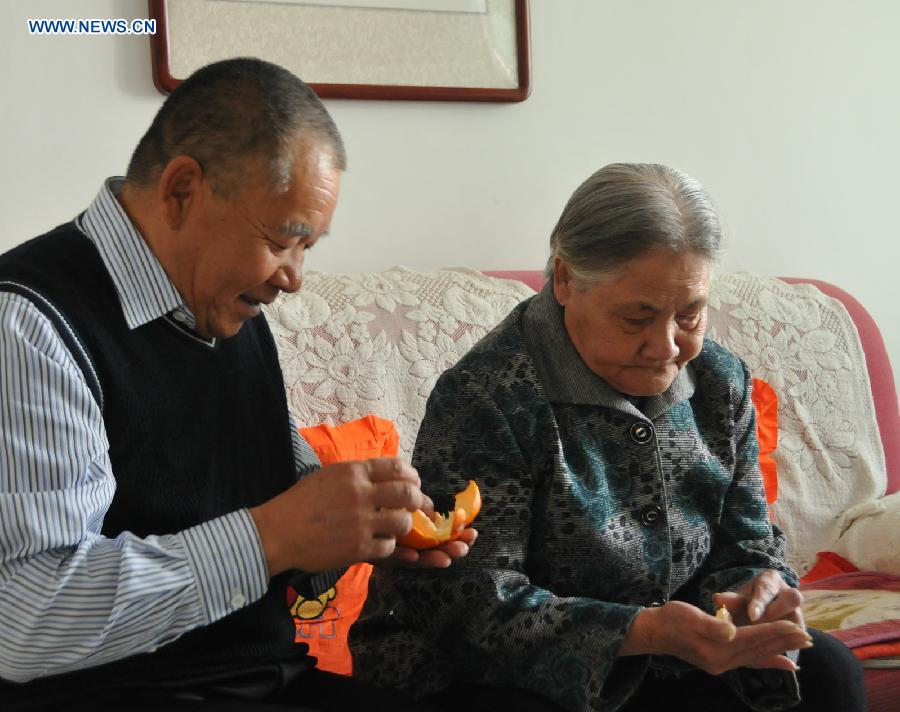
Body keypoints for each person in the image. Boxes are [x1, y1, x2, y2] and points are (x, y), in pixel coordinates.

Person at [0, 58, 470, 711]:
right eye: (285, 239)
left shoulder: (229, 306)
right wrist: (273, 536)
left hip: (267, 676)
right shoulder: (28, 325)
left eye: (310, 247)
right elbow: (27, 621)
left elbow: (279, 512)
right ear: (183, 190)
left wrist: (368, 534)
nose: (295, 277)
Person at [350, 163, 867, 711]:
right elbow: (469, 606)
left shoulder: (720, 383)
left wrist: (755, 590)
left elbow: (749, 541)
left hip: (670, 653)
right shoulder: (489, 396)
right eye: (636, 318)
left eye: (689, 315)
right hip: (490, 670)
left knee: (828, 675)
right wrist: (639, 632)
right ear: (566, 279)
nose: (666, 346)